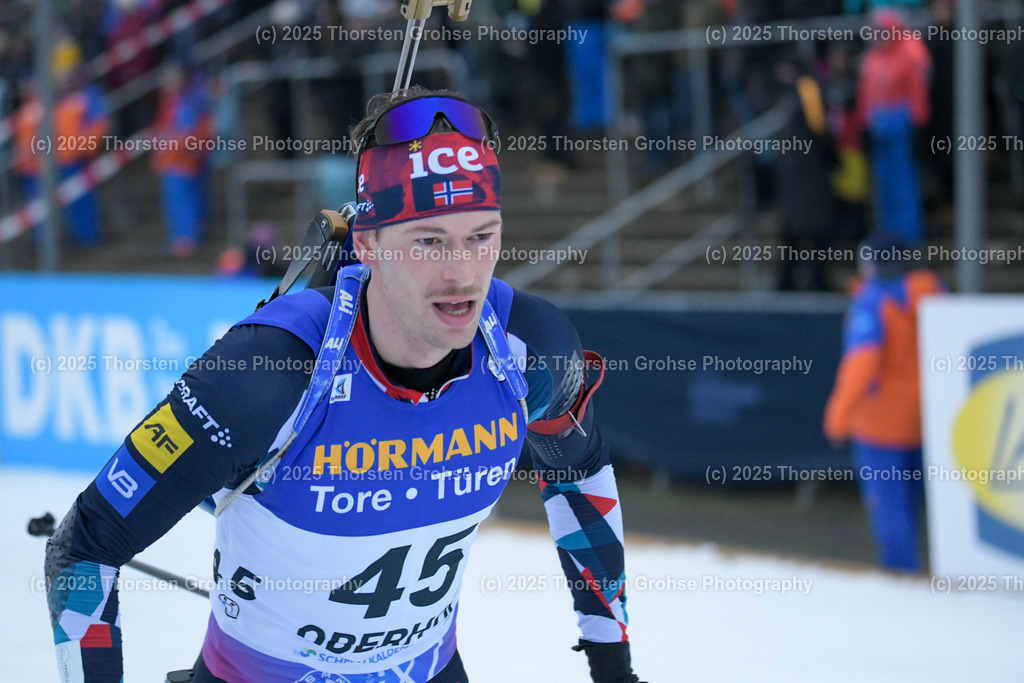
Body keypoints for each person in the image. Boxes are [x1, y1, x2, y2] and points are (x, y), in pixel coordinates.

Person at [45, 87, 644, 683]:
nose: (462, 273)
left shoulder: (529, 351)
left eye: (481, 236)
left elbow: (579, 479)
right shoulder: (269, 373)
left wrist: (614, 671)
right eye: (428, 241)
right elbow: (85, 548)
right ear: (366, 244)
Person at [823, 232, 945, 572]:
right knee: (917, 504)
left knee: (889, 507)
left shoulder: (873, 301)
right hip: (927, 417)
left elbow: (861, 365)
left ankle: (900, 579)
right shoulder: (936, 293)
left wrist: (838, 417)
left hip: (880, 424)